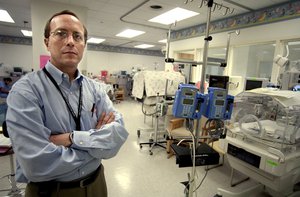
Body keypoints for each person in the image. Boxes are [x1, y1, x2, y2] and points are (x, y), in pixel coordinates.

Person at [6, 10, 128, 197]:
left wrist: (70, 138)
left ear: (84, 45)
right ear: (47, 42)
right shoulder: (26, 91)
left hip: (97, 185)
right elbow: (36, 164)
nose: (70, 41)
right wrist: (96, 145)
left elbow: (118, 134)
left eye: (77, 36)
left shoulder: (95, 89)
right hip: (51, 191)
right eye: (61, 33)